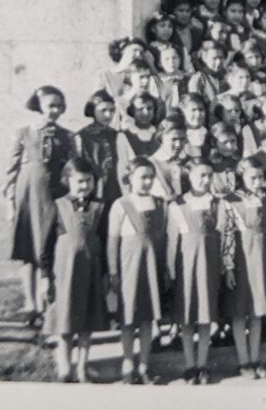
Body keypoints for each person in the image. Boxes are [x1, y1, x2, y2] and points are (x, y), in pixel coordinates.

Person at [3, 85, 76, 327]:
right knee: (28, 249)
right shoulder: (24, 132)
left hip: (55, 195)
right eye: (49, 106)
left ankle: (49, 306)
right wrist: (10, 203)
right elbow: (11, 170)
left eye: (58, 106)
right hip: (28, 194)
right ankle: (30, 304)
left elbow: (72, 168)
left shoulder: (66, 136)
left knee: (50, 246)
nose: (54, 111)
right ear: (39, 107)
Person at [40, 157, 107, 383]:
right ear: (68, 180)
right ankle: (64, 369)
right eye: (80, 181)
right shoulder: (57, 206)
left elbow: (104, 242)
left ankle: (82, 368)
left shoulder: (99, 207)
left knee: (87, 324)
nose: (85, 186)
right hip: (65, 274)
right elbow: (46, 246)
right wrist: (44, 276)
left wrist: (106, 275)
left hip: (91, 272)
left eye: (89, 181)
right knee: (65, 322)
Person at [107, 157, 167, 384]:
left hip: (151, 266)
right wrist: (113, 270)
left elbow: (162, 238)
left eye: (151, 177)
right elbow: (113, 241)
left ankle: (144, 365)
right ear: (129, 179)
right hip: (129, 266)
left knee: (147, 319)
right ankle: (127, 363)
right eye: (142, 177)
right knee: (129, 317)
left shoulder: (159, 204)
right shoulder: (120, 205)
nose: (147, 182)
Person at [221, 156, 266, 379]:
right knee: (240, 312)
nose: (257, 182)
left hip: (262, 259)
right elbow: (227, 234)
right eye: (252, 178)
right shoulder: (230, 200)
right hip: (241, 259)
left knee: (257, 311)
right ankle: (243, 361)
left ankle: (256, 358)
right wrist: (228, 266)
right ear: (241, 177)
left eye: (260, 178)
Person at [166, 158, 222, 384]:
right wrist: (171, 270)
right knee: (187, 318)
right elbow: (172, 241)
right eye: (201, 175)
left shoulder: (217, 203)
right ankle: (189, 366)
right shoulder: (177, 204)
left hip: (209, 264)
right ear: (189, 176)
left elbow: (223, 236)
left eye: (209, 175)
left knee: (206, 317)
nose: (205, 180)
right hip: (186, 266)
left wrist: (225, 266)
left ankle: (202, 364)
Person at [76, 90, 120, 241]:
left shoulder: (117, 135)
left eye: (111, 110)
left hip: (115, 189)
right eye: (103, 111)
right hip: (94, 190)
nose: (108, 115)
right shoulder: (83, 136)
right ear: (93, 112)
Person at [115, 93, 162, 192]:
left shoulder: (160, 134)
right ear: (133, 111)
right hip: (136, 190)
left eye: (149, 108)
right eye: (140, 109)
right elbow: (122, 168)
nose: (145, 112)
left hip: (160, 189)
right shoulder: (125, 136)